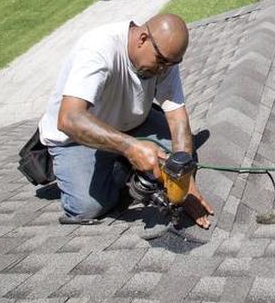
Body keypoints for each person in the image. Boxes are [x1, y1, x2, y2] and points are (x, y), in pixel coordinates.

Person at [37, 13, 214, 227]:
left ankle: (126, 161)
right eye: (160, 62)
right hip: (77, 137)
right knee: (88, 207)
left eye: (170, 64)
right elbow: (69, 118)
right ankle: (121, 166)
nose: (163, 70)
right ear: (142, 39)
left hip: (132, 123)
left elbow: (177, 118)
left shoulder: (165, 56)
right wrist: (130, 148)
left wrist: (184, 178)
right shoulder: (98, 48)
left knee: (182, 157)